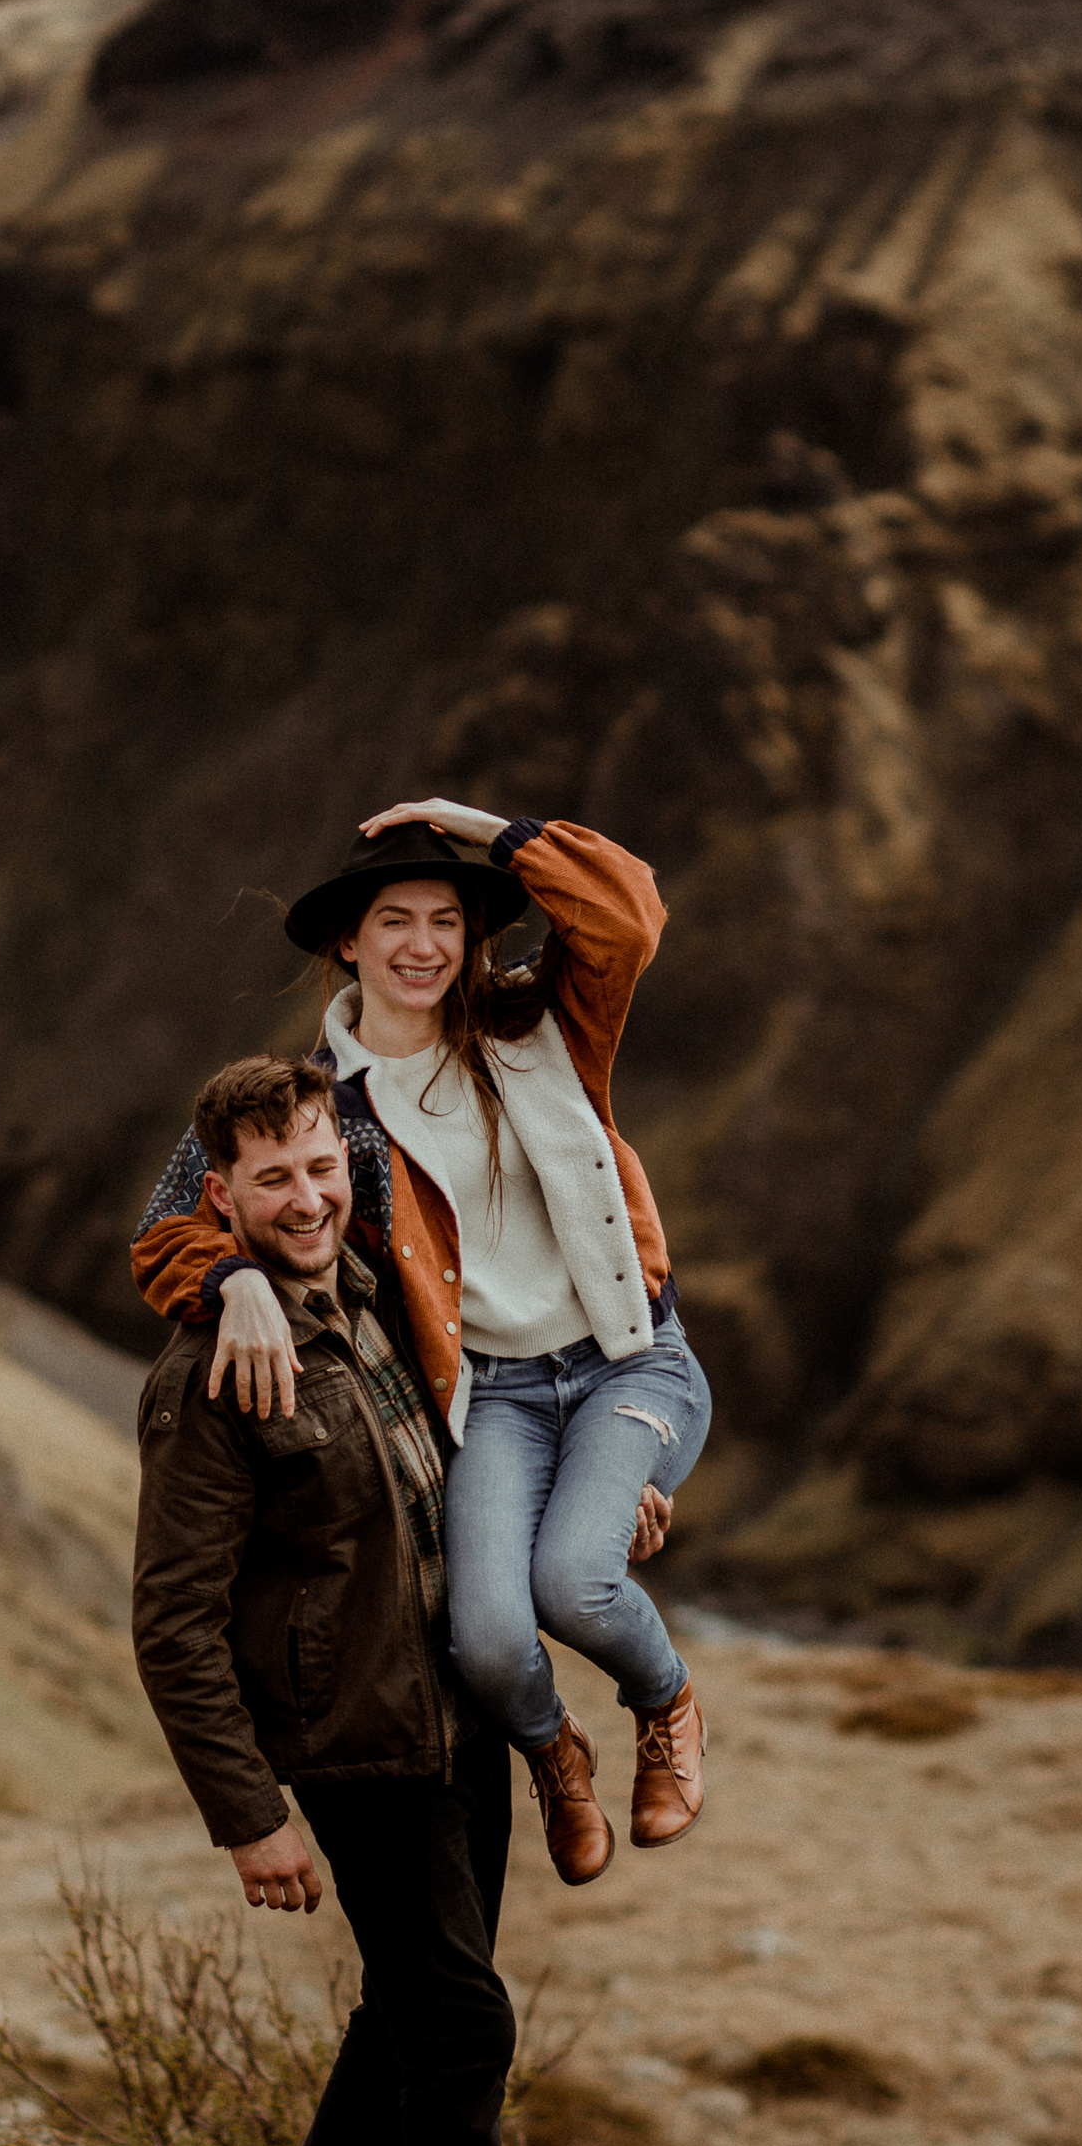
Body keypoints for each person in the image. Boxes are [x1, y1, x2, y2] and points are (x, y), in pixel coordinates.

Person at [132, 1051, 657, 2146]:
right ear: (222, 1197)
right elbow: (172, 1624)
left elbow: (483, 1463)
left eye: (320, 1167)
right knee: (461, 2024)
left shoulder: (370, 1292)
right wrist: (251, 1817)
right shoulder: (212, 1375)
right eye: (271, 1181)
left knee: (411, 2010)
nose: (305, 1198)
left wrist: (603, 1519)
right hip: (356, 1744)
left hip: (453, 1718)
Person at [133, 801, 709, 1889]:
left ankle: (665, 1704)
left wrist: (485, 830)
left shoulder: (538, 1028)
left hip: (627, 1363)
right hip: (489, 1400)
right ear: (345, 940)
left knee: (573, 1585)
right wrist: (234, 1279)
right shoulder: (320, 1105)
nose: (422, 945)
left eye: (446, 919)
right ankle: (554, 1753)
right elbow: (169, 1225)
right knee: (487, 1641)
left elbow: (628, 918)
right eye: (393, 919)